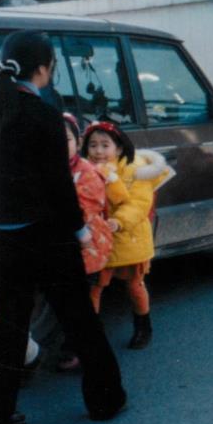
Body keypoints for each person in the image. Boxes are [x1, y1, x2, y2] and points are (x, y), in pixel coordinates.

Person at [0, 32, 126, 424]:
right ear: (44, 68)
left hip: (2, 238)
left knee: (10, 325)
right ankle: (105, 399)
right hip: (48, 237)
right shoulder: (43, 115)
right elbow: (58, 186)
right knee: (79, 318)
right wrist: (82, 231)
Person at [82, 121, 173, 349]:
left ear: (119, 148)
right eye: (93, 145)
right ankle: (88, 337)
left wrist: (118, 221)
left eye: (105, 145)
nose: (99, 151)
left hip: (128, 236)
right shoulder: (84, 169)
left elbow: (139, 204)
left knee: (134, 285)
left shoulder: (136, 170)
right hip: (96, 238)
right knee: (94, 287)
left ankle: (143, 325)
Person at [55, 114, 115, 371]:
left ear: (78, 142)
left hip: (87, 248)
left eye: (66, 139)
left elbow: (83, 209)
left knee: (81, 302)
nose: (58, 144)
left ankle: (79, 350)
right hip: (62, 247)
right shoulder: (48, 168)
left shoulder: (87, 172)